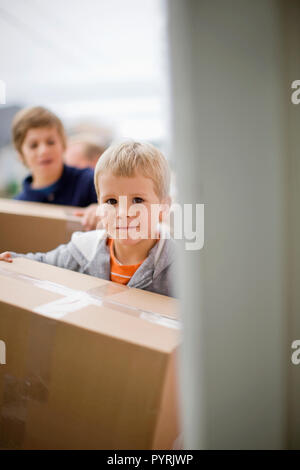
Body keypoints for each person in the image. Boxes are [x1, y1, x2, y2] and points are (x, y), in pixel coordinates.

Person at [0, 141, 175, 297]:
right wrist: (14, 259)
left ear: (163, 207)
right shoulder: (84, 250)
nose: (123, 213)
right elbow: (43, 262)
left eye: (137, 200)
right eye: (111, 201)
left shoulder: (180, 265)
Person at [12, 106, 99, 230]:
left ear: (63, 145)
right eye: (33, 145)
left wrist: (103, 209)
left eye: (50, 142)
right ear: (21, 155)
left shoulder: (91, 182)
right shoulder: (16, 208)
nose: (43, 151)